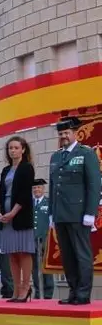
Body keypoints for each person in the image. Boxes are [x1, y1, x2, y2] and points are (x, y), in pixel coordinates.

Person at [49, 116, 101, 305]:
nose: (63, 136)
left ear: (74, 133)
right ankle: (73, 291)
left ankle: (83, 294)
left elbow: (94, 184)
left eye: (66, 133)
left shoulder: (86, 153)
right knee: (68, 256)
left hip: (79, 214)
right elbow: (53, 186)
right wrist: (51, 214)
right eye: (61, 133)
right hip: (61, 214)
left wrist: (90, 212)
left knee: (82, 254)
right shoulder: (55, 156)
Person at [0, 136, 35, 302]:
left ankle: (26, 288)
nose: (13, 151)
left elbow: (25, 194)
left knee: (23, 252)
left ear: (23, 149)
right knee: (12, 254)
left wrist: (13, 212)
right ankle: (16, 289)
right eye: (10, 148)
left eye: (16, 148)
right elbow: (0, 193)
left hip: (21, 215)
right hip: (5, 215)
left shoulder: (27, 168)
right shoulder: (6, 170)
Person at [31, 179, 54, 299]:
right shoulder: (29, 204)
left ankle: (48, 292)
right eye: (34, 188)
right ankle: (38, 292)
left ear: (43, 189)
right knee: (34, 267)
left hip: (45, 238)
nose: (36, 190)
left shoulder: (49, 203)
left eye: (39, 188)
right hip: (32, 239)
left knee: (46, 266)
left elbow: (52, 222)